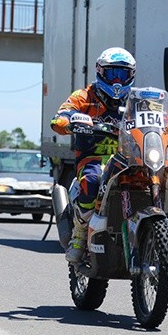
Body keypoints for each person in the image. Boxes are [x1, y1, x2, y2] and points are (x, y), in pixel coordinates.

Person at [50, 47, 138, 263]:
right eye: (112, 73)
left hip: (127, 158)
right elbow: (60, 117)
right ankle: (79, 235)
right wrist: (70, 121)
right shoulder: (84, 96)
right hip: (93, 157)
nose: (117, 80)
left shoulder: (135, 101)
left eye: (122, 74)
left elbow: (160, 116)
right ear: (100, 72)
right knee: (92, 180)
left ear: (131, 76)